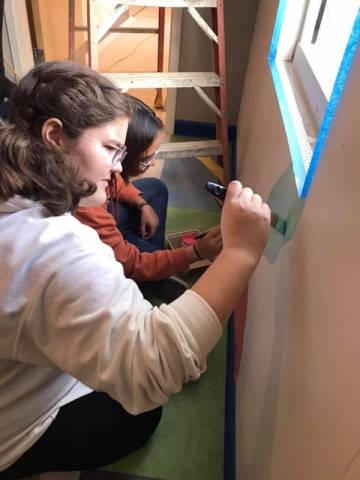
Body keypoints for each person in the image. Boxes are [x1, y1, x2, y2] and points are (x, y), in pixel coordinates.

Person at [0, 60, 270, 479]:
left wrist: (142, 204)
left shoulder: (20, 187)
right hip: (11, 430)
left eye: (123, 154)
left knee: (149, 197)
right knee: (142, 413)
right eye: (110, 149)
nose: (116, 169)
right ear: (54, 136)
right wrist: (239, 253)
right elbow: (155, 366)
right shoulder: (60, 247)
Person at [75, 95, 222, 291]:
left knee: (155, 189)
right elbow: (131, 263)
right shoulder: (88, 202)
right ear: (123, 157)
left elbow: (117, 182)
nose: (153, 163)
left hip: (108, 218)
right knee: (137, 263)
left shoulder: (104, 169)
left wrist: (142, 204)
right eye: (146, 158)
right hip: (111, 251)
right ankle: (152, 276)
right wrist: (195, 251)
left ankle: (155, 260)